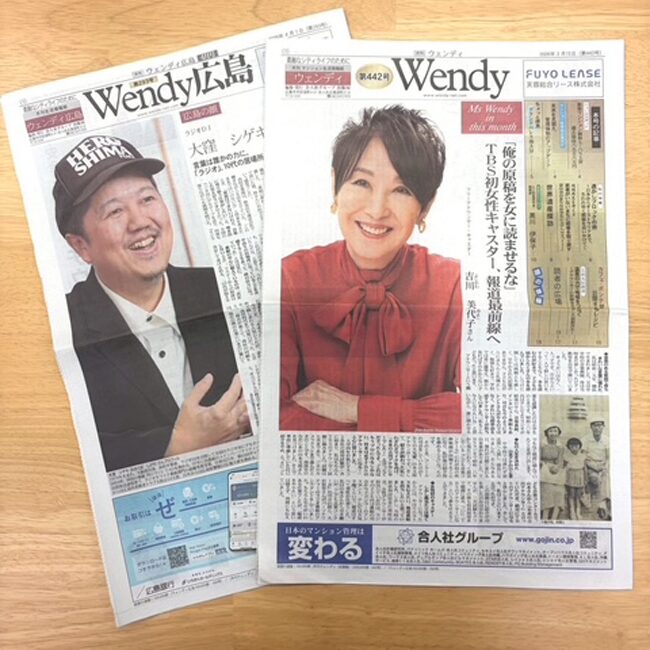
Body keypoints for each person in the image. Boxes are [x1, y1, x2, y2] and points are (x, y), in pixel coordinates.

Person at [54, 134, 249, 471]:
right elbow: (69, 448)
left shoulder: (224, 289)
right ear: (81, 246)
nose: (140, 222)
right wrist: (177, 448)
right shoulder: (62, 328)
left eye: (147, 199)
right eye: (115, 211)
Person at [280, 105, 461, 432]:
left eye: (402, 190)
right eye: (362, 182)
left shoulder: (452, 285)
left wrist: (357, 409)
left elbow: (490, 410)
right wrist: (413, 420)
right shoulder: (292, 278)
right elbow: (273, 415)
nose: (377, 210)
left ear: (425, 208)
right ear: (335, 186)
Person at [581, 417, 610, 519]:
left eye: (599, 425)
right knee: (595, 478)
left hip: (603, 465)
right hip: (590, 465)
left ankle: (603, 504)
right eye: (595, 425)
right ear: (591, 427)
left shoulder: (606, 440)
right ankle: (601, 504)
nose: (597, 428)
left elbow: (608, 457)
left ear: (603, 427)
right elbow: (582, 458)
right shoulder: (585, 439)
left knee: (606, 477)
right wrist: (593, 466)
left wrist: (604, 467)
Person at [539, 424, 566, 520]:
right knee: (548, 490)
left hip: (555, 470)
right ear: (547, 433)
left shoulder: (560, 446)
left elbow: (560, 461)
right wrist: (546, 465)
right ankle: (545, 516)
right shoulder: (541, 445)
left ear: (558, 433)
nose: (553, 433)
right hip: (543, 469)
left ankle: (554, 516)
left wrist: (557, 467)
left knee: (559, 491)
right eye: (550, 431)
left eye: (555, 431)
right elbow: (537, 459)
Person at [564, 437, 586, 520]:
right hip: (571, 476)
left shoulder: (582, 456)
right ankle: (572, 511)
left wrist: (585, 480)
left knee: (578, 495)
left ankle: (578, 511)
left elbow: (585, 469)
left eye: (576, 446)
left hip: (580, 476)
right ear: (569, 447)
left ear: (579, 446)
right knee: (571, 494)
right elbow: (565, 468)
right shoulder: (567, 456)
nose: (574, 448)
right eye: (572, 446)